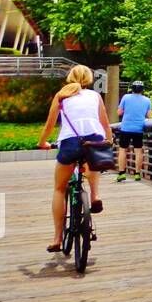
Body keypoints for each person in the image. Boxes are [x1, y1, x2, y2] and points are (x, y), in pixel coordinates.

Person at [37, 65, 112, 253]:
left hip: (70, 142)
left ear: (70, 77)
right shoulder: (95, 96)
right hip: (94, 139)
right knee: (92, 161)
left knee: (59, 189)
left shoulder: (62, 95)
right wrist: (108, 141)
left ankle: (57, 239)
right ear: (89, 79)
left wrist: (43, 142)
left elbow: (49, 124)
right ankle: (95, 196)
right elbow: (104, 124)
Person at [115, 81, 152, 182]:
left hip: (126, 127)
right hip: (139, 128)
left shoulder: (126, 97)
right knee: (138, 151)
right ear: (142, 90)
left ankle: (122, 173)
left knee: (123, 149)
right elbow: (149, 116)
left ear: (132, 88)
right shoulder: (147, 100)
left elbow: (119, 112)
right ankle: (137, 174)